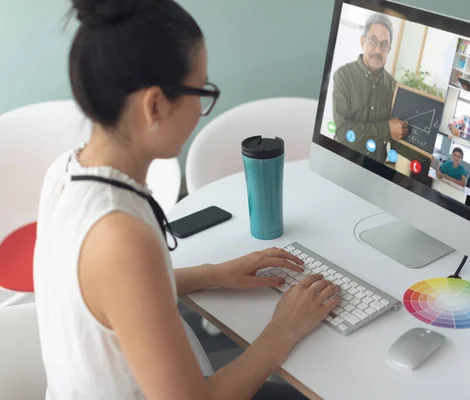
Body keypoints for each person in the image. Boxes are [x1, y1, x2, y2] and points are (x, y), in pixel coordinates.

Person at [33, 1, 340, 399]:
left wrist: (214, 273)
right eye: (201, 91)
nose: (200, 110)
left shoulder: (65, 172)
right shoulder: (119, 235)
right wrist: (285, 328)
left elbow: (113, 294)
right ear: (155, 105)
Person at [332, 12, 408, 163]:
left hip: (376, 170)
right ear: (362, 41)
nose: (379, 50)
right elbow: (343, 132)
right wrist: (386, 129)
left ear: (389, 49)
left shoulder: (394, 87)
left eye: (384, 44)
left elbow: (397, 139)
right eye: (373, 40)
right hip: (342, 162)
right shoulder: (343, 76)